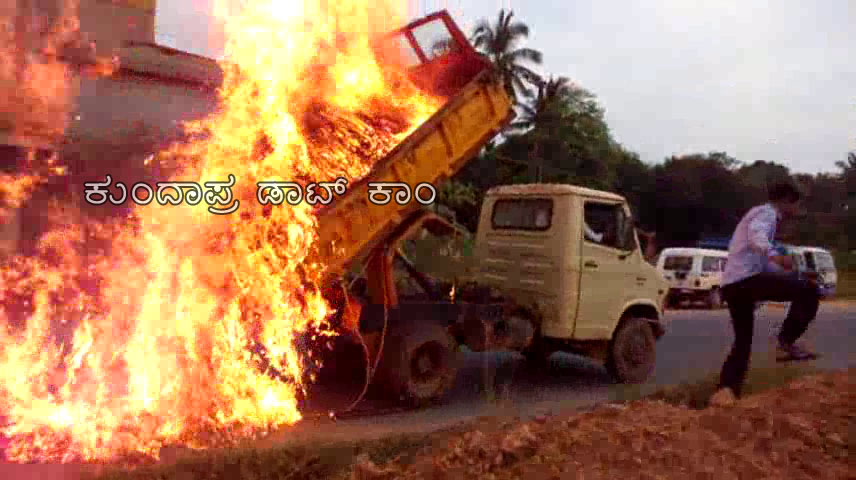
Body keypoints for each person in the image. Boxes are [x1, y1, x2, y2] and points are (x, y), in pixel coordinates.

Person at [709, 181, 820, 407]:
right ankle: (786, 342)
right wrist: (775, 255)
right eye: (796, 204)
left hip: (734, 284)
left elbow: (760, 262)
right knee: (809, 290)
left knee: (743, 341)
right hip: (745, 282)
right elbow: (756, 237)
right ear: (787, 200)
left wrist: (786, 270)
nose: (796, 211)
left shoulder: (759, 214)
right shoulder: (767, 214)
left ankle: (726, 391)